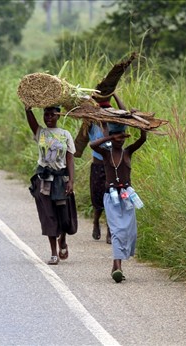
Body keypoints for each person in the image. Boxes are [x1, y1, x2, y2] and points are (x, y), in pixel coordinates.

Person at [90, 123, 147, 282]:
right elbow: (92, 144)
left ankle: (115, 267)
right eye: (116, 137)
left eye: (122, 136)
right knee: (117, 231)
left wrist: (141, 125)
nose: (119, 140)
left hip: (127, 197)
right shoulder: (106, 154)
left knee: (129, 231)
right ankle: (118, 267)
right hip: (111, 197)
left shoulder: (128, 152)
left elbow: (142, 139)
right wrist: (109, 137)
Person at [25, 105, 78, 265]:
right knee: (49, 215)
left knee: (63, 215)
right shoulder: (41, 133)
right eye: (46, 114)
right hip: (44, 180)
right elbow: (31, 122)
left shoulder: (65, 134)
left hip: (60, 180)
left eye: (52, 115)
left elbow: (69, 159)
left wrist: (71, 180)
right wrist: (27, 108)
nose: (48, 117)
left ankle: (63, 240)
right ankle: (54, 253)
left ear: (58, 116)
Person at [74, 93, 126, 244]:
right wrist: (89, 99)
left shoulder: (115, 122)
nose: (104, 113)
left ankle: (110, 230)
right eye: (102, 110)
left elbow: (124, 112)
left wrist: (115, 94)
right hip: (98, 164)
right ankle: (96, 221)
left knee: (113, 198)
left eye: (107, 110)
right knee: (97, 198)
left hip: (113, 166)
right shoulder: (90, 122)